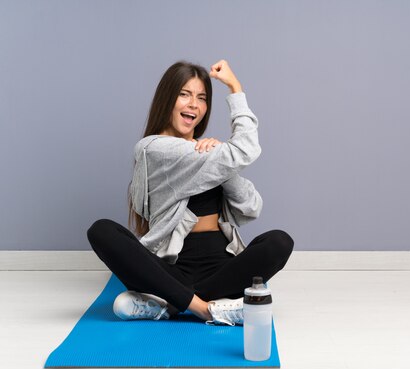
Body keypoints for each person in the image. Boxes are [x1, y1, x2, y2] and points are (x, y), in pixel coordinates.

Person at [86, 59, 294, 326]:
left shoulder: (207, 153)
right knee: (101, 230)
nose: (194, 104)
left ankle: (168, 304)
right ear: (167, 99)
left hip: (221, 269)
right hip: (170, 269)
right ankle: (207, 309)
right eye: (184, 94)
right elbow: (245, 149)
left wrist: (221, 161)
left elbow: (251, 207)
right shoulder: (152, 148)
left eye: (202, 97)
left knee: (279, 242)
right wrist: (235, 87)